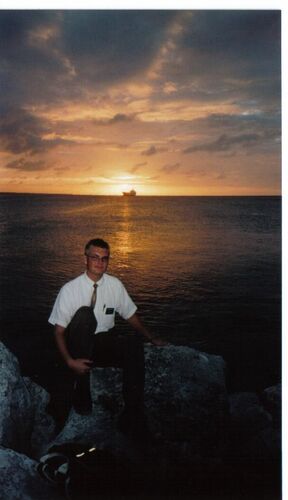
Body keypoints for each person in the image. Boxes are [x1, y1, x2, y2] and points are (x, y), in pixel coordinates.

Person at [47, 238, 165, 438]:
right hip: (79, 346)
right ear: (85, 259)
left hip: (102, 344)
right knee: (85, 314)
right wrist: (69, 361)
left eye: (104, 258)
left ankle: (132, 413)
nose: (100, 262)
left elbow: (130, 315)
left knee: (132, 344)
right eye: (95, 257)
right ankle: (82, 390)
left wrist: (151, 337)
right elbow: (58, 331)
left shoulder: (114, 285)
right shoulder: (70, 289)